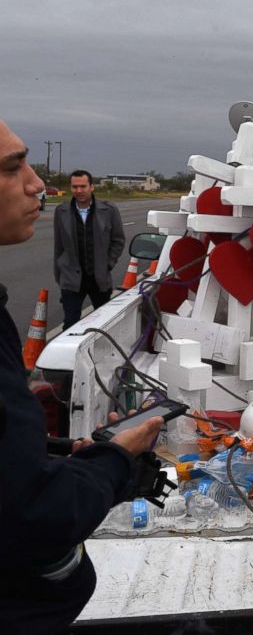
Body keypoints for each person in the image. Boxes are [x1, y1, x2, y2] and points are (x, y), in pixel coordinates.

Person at [0, 119, 164, 634]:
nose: (36, 185)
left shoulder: (110, 212)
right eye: (12, 167)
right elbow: (35, 513)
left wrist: (52, 450)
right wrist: (115, 458)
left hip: (99, 279)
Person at [54, 168, 125, 330]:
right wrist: (59, 275)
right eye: (74, 187)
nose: (78, 191)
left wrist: (108, 264)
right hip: (71, 279)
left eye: (83, 186)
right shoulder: (62, 211)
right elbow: (58, 246)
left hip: (99, 278)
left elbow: (118, 240)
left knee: (103, 324)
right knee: (70, 324)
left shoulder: (109, 210)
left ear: (92, 187)